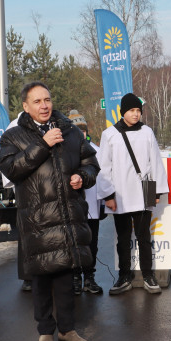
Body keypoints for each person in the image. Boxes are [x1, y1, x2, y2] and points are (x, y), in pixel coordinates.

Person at [0, 82, 99, 341]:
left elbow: (90, 162)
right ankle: (45, 331)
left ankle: (67, 330)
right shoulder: (13, 136)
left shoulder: (71, 130)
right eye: (37, 101)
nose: (44, 105)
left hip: (67, 216)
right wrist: (42, 145)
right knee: (42, 279)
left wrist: (84, 177)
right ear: (25, 106)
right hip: (38, 219)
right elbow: (11, 169)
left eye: (47, 99)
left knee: (66, 277)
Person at [97, 93, 168, 295]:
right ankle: (124, 276)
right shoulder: (109, 134)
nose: (135, 114)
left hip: (144, 188)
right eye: (131, 111)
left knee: (145, 236)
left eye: (138, 111)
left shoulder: (147, 132)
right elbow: (104, 167)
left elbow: (155, 162)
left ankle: (148, 275)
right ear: (123, 112)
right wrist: (108, 195)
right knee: (123, 236)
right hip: (120, 192)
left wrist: (156, 191)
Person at [68, 110, 103, 295]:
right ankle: (74, 277)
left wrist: (104, 202)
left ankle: (89, 277)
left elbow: (104, 177)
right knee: (74, 242)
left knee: (91, 243)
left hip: (92, 208)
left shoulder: (96, 150)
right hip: (73, 207)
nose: (80, 133)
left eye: (82, 129)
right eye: (75, 129)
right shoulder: (64, 151)